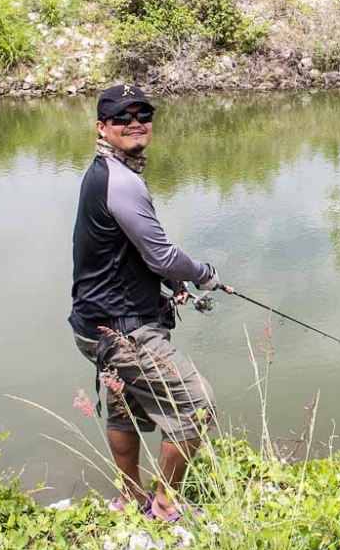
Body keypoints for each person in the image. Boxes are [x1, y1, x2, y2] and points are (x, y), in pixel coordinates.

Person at [69, 83, 230, 522]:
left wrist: (163, 284)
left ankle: (130, 497)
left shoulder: (104, 172)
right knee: (196, 406)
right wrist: (204, 275)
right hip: (122, 331)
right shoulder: (122, 182)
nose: (135, 123)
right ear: (102, 127)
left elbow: (124, 254)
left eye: (143, 114)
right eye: (122, 117)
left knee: (126, 406)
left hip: (94, 323)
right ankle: (164, 504)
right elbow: (160, 253)